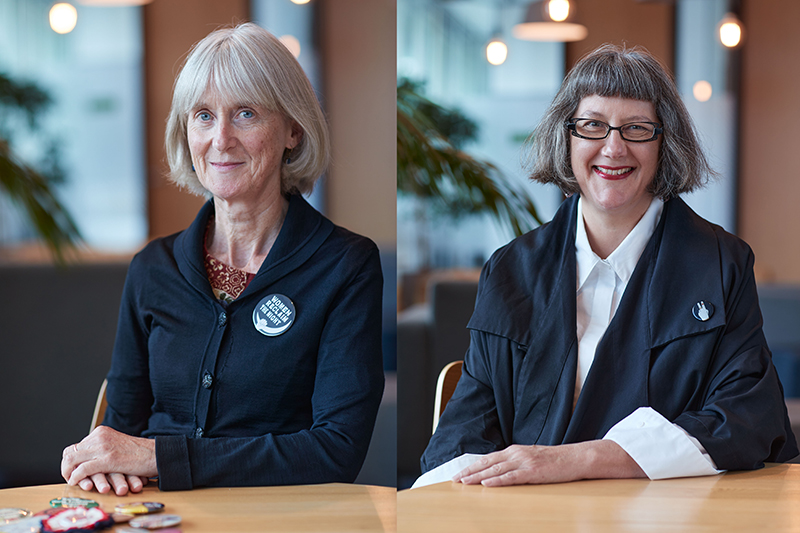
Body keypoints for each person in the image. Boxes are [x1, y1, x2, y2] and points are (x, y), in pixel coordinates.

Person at [419, 44, 798, 487]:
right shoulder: (511, 270)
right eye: (593, 126)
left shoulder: (721, 263)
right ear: (568, 137)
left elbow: (748, 417)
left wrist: (578, 460)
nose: (613, 148)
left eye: (637, 128)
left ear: (664, 143)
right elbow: (464, 435)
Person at [61, 23, 384, 494]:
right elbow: (118, 431)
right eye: (204, 116)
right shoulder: (152, 267)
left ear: (293, 129)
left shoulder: (346, 265)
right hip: (157, 516)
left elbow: (336, 450)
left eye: (246, 114)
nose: (221, 138)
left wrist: (159, 457)